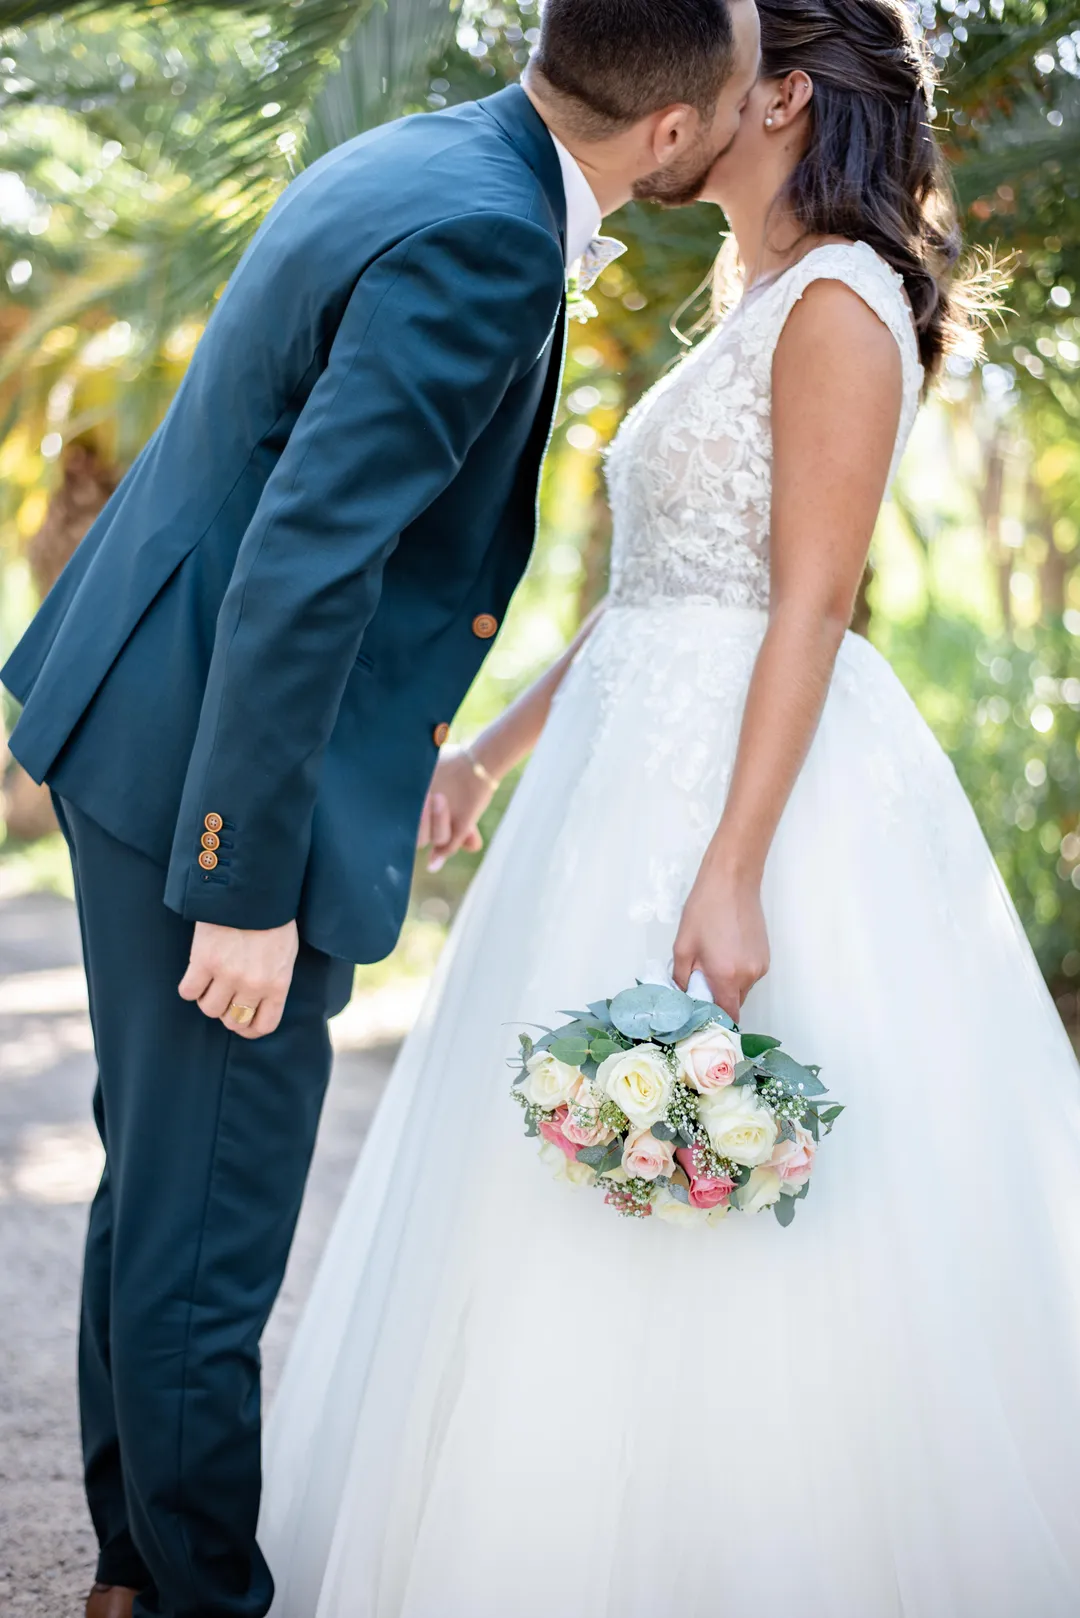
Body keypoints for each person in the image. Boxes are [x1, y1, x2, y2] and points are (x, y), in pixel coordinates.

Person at [257, 2, 1080, 1614]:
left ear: (782, 97)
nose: (685, 79)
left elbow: (810, 605)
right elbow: (652, 590)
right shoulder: (749, 296)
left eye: (728, 51)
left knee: (749, 1201)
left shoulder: (839, 303)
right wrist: (489, 752)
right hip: (614, 777)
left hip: (747, 796)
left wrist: (735, 866)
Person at [0, 4, 762, 1615]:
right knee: (205, 1228)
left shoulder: (434, 154)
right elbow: (307, 561)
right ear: (672, 131)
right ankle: (196, 1591)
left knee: (162, 1186)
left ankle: (137, 1569)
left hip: (144, 713)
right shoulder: (492, 240)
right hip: (204, 775)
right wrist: (243, 884)